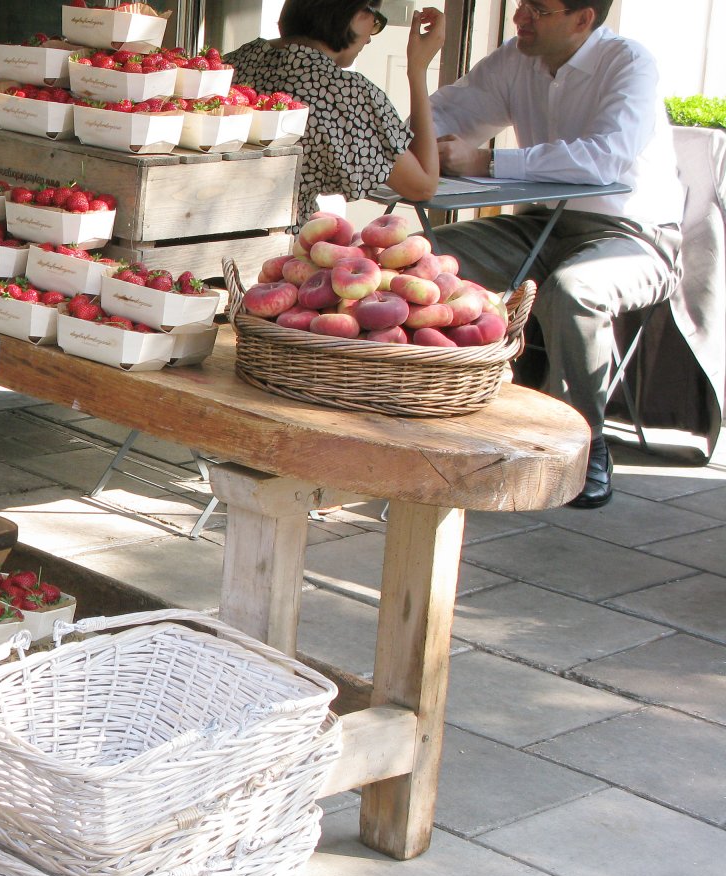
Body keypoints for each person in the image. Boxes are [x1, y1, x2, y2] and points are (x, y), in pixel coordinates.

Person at [426, 0, 683, 509]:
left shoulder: (628, 62)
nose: (521, 16)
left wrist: (487, 160)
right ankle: (428, 418)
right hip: (544, 226)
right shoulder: (515, 58)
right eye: (521, 4)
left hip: (634, 235)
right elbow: (449, 114)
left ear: (583, 19)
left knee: (574, 291)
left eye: (538, 10)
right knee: (430, 255)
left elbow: (606, 155)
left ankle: (586, 447)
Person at [227, 0, 445, 230]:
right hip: (278, 247)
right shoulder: (344, 94)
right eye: (375, 23)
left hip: (200, 231)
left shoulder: (234, 62)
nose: (370, 38)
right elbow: (423, 185)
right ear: (352, 12)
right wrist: (418, 70)